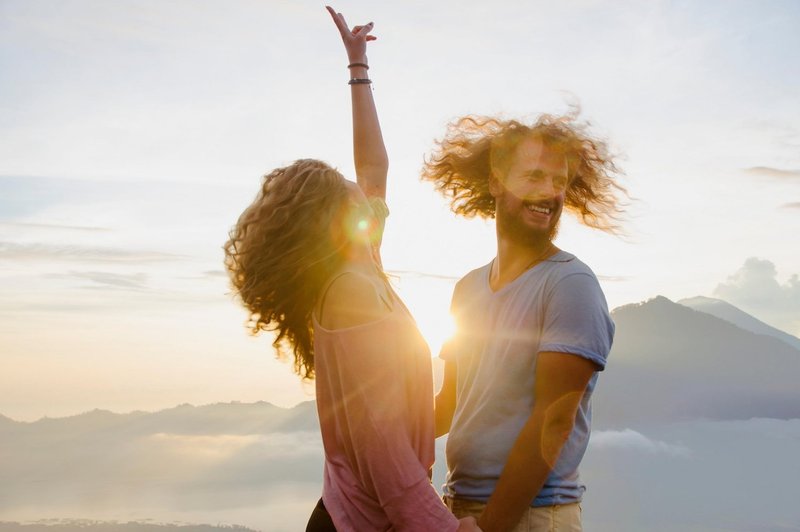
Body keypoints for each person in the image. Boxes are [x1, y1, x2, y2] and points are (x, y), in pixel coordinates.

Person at [223, 6, 479, 532]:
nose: (358, 186)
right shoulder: (350, 292)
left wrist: (358, 68)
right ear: (331, 219)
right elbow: (383, 451)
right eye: (345, 186)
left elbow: (374, 167)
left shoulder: (364, 262)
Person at [424, 114, 626, 532]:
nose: (550, 193)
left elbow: (553, 421)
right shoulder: (467, 289)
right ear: (496, 180)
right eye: (534, 176)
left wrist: (491, 526)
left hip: (531, 517)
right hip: (459, 507)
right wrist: (381, 457)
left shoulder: (570, 283)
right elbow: (451, 403)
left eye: (559, 181)